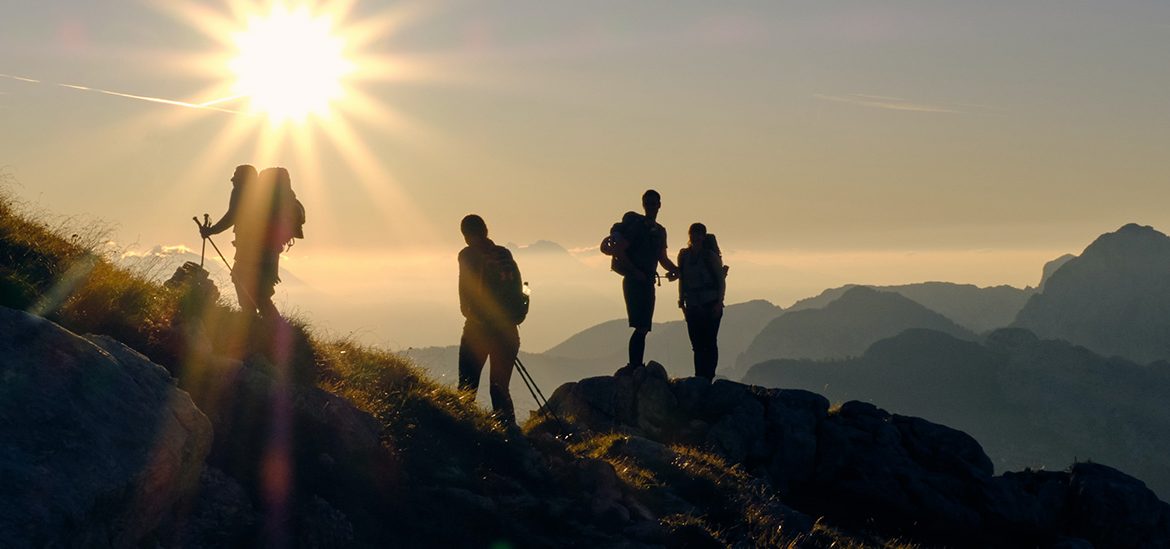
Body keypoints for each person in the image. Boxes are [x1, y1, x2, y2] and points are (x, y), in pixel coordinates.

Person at [457, 214, 521, 424]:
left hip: (478, 330)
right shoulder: (504, 254)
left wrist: (471, 314)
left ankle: (463, 434)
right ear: (486, 230)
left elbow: (465, 294)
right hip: (508, 332)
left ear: (466, 235)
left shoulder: (467, 256)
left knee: (467, 387)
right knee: (500, 389)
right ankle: (511, 438)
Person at [200, 165, 288, 318]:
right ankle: (265, 326)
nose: (232, 179)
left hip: (250, 252)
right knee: (260, 293)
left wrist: (211, 230)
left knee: (242, 282)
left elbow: (231, 216)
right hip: (270, 254)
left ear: (244, 178)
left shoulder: (241, 191)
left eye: (236, 176)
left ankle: (254, 322)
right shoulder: (264, 194)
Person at [612, 190, 678, 375]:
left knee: (644, 325)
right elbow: (620, 250)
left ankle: (636, 365)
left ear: (659, 205)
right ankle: (635, 366)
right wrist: (634, 272)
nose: (651, 207)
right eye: (648, 203)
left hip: (647, 280)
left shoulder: (660, 231)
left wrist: (675, 269)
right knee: (641, 325)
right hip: (635, 281)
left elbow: (662, 258)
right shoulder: (637, 227)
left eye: (653, 203)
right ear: (644, 204)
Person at [677, 223, 726, 380]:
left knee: (709, 342)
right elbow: (682, 280)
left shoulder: (709, 256)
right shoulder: (684, 256)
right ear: (689, 235)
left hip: (710, 304)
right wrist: (681, 302)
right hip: (692, 305)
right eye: (694, 234)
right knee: (697, 345)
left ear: (704, 237)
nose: (696, 237)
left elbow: (720, 281)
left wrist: (719, 303)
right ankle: (700, 376)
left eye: (699, 234)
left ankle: (708, 376)